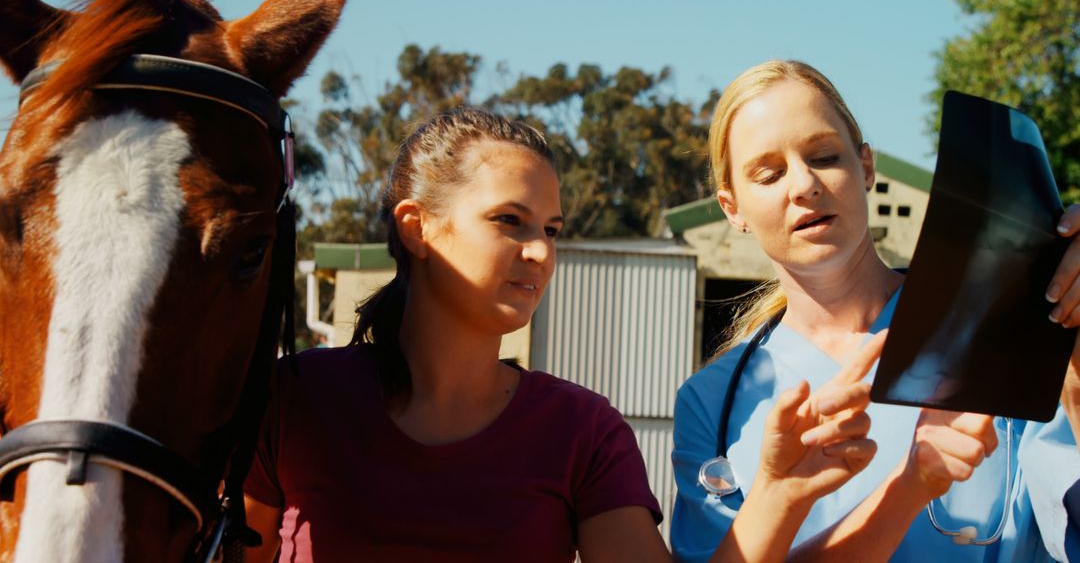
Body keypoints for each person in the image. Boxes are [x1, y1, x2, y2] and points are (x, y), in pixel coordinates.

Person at [242, 106, 882, 562]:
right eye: (510, 221)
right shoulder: (292, 399)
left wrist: (776, 493)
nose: (541, 253)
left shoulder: (582, 431)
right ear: (416, 227)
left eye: (550, 230)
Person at [671, 59, 1080, 562]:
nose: (803, 185)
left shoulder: (998, 328)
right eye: (770, 173)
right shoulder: (710, 404)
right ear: (733, 209)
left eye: (824, 156)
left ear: (866, 167)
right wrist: (910, 486)